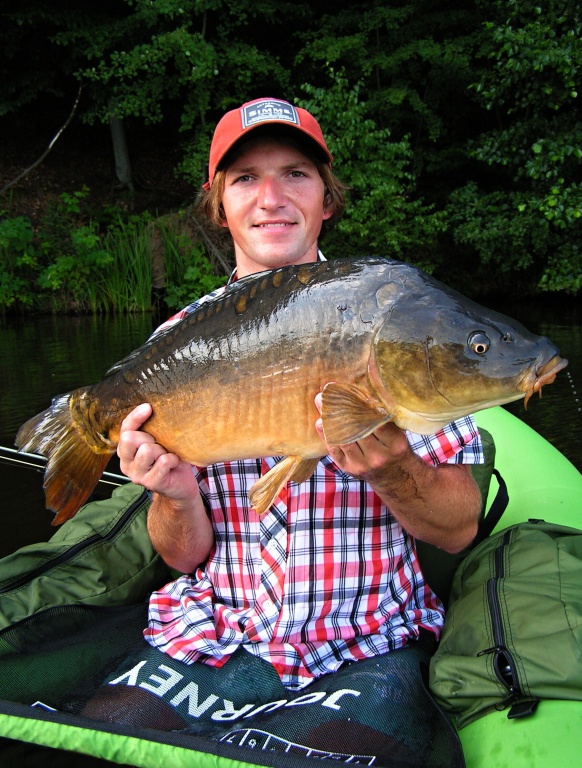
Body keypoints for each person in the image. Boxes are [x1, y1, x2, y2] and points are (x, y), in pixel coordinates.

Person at [84, 98, 482, 767]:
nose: (271, 197)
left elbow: (457, 528)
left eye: (295, 173)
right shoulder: (174, 344)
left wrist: (390, 469)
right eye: (245, 178)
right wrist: (174, 494)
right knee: (97, 743)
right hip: (212, 632)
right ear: (219, 206)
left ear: (327, 198)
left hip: (366, 642)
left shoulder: (396, 312)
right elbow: (182, 557)